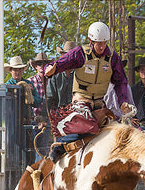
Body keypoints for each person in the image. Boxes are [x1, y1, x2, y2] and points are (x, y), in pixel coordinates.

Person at [45, 22, 130, 160]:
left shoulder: (113, 58)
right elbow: (61, 63)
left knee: (113, 129)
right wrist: (50, 68)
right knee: (88, 124)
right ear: (91, 41)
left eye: (104, 43)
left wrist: (123, 102)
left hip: (99, 103)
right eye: (98, 43)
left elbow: (120, 81)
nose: (102, 46)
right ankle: (60, 146)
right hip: (81, 100)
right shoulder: (80, 53)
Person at [28, 53, 51, 158]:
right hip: (33, 121)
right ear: (35, 66)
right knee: (31, 151)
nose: (42, 66)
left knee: (43, 151)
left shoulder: (52, 81)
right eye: (39, 63)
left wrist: (45, 120)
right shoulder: (30, 81)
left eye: (44, 63)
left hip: (47, 122)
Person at [46, 41, 76, 110]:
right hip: (59, 112)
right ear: (62, 55)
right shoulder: (55, 74)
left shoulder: (80, 73)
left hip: (77, 111)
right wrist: (44, 117)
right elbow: (49, 97)